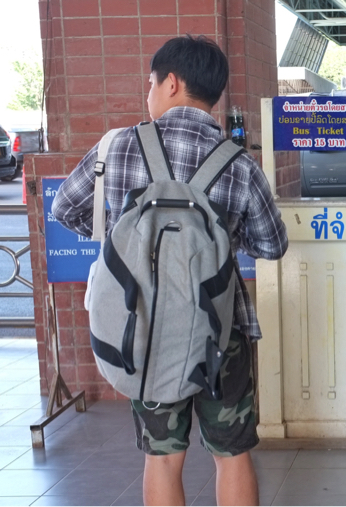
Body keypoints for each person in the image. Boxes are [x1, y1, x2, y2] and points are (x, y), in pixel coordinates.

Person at [52, 35, 288, 506]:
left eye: (151, 84)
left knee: (162, 458)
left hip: (141, 328)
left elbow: (65, 208)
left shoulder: (116, 148)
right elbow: (273, 244)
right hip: (220, 329)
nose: (149, 94)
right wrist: (222, 241)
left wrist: (119, 241)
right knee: (232, 454)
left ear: (172, 83)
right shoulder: (239, 163)